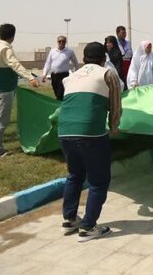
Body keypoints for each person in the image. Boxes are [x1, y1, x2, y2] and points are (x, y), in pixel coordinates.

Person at [58, 42, 122, 241]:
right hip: (90, 134)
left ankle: (70, 219)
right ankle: (88, 226)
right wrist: (113, 126)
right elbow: (115, 104)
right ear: (104, 59)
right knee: (98, 180)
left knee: (75, 175)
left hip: (64, 132)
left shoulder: (70, 77)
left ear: (84, 59)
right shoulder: (107, 74)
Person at [0, 24, 40, 157]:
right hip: (3, 89)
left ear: (0, 34)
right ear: (13, 36)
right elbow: (14, 64)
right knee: (1, 121)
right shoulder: (5, 48)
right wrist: (30, 78)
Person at [42, 36, 80, 100]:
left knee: (60, 93)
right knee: (56, 92)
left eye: (63, 41)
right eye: (60, 41)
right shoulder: (52, 51)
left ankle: (60, 105)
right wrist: (44, 74)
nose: (61, 43)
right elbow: (48, 63)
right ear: (57, 42)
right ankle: (60, 102)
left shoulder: (69, 51)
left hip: (64, 75)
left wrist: (76, 73)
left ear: (66, 42)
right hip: (54, 75)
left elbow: (75, 63)